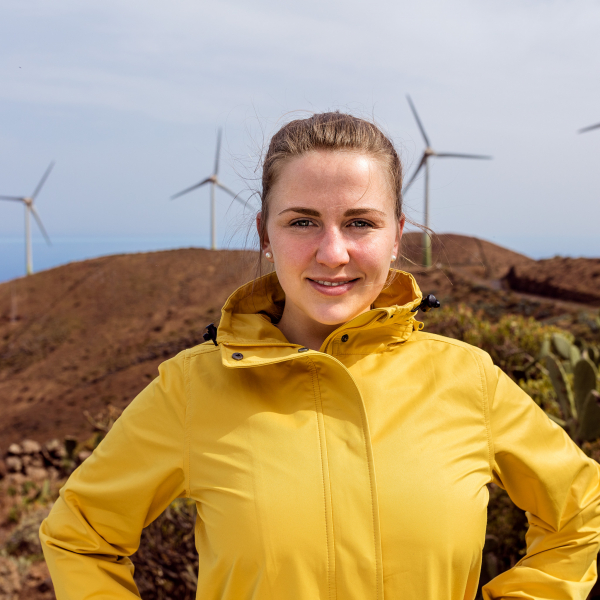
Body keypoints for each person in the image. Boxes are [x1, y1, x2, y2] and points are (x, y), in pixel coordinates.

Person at [40, 112, 600, 599]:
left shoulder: (467, 379)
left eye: (361, 222)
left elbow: (583, 512)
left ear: (397, 234)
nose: (333, 253)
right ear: (265, 232)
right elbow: (79, 536)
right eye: (302, 221)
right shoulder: (191, 389)